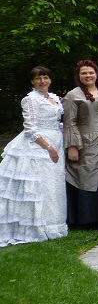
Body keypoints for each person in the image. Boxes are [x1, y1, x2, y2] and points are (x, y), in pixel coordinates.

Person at [0, 66, 68, 247]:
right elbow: (30, 128)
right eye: (38, 78)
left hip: (57, 142)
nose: (42, 81)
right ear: (32, 81)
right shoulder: (30, 99)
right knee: (40, 187)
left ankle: (56, 225)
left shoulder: (54, 98)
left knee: (54, 186)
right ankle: (39, 227)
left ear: (50, 80)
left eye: (45, 77)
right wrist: (48, 148)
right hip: (38, 146)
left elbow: (57, 122)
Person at [63, 59, 98, 225]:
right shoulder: (72, 95)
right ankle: (89, 218)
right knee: (88, 176)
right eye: (84, 73)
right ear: (78, 76)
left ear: (96, 74)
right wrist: (72, 146)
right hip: (87, 142)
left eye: (91, 72)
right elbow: (70, 122)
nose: (88, 75)